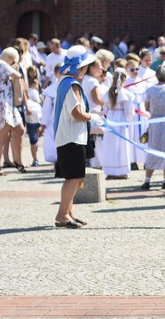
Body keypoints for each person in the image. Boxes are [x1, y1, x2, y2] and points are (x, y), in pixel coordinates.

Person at [53, 45, 103, 228]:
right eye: (85, 67)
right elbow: (77, 113)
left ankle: (68, 212)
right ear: (80, 68)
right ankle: (62, 215)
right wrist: (93, 117)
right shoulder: (72, 85)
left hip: (70, 136)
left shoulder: (64, 81)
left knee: (74, 177)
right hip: (72, 137)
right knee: (73, 178)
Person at [0, 47, 26, 175]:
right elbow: (17, 75)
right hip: (1, 104)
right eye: (13, 62)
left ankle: (17, 161)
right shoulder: (0, 63)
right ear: (10, 59)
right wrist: (17, 69)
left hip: (5, 103)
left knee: (19, 129)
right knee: (2, 135)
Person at [141, 65, 165, 189]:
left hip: (154, 122)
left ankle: (147, 180)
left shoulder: (150, 90)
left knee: (153, 150)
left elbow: (146, 107)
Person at [100, 68, 134, 179]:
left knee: (110, 145)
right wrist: (129, 121)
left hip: (110, 119)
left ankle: (110, 170)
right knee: (122, 145)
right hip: (121, 120)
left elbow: (105, 110)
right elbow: (129, 112)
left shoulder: (108, 93)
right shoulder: (126, 95)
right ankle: (122, 170)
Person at [39, 62, 61, 164]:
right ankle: (56, 159)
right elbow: (46, 108)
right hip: (54, 119)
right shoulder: (51, 90)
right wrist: (43, 123)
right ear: (56, 74)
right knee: (53, 138)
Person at [25, 65, 43, 167]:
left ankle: (35, 159)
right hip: (36, 115)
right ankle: (35, 158)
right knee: (35, 138)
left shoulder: (29, 89)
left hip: (32, 117)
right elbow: (38, 100)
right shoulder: (33, 91)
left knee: (33, 139)